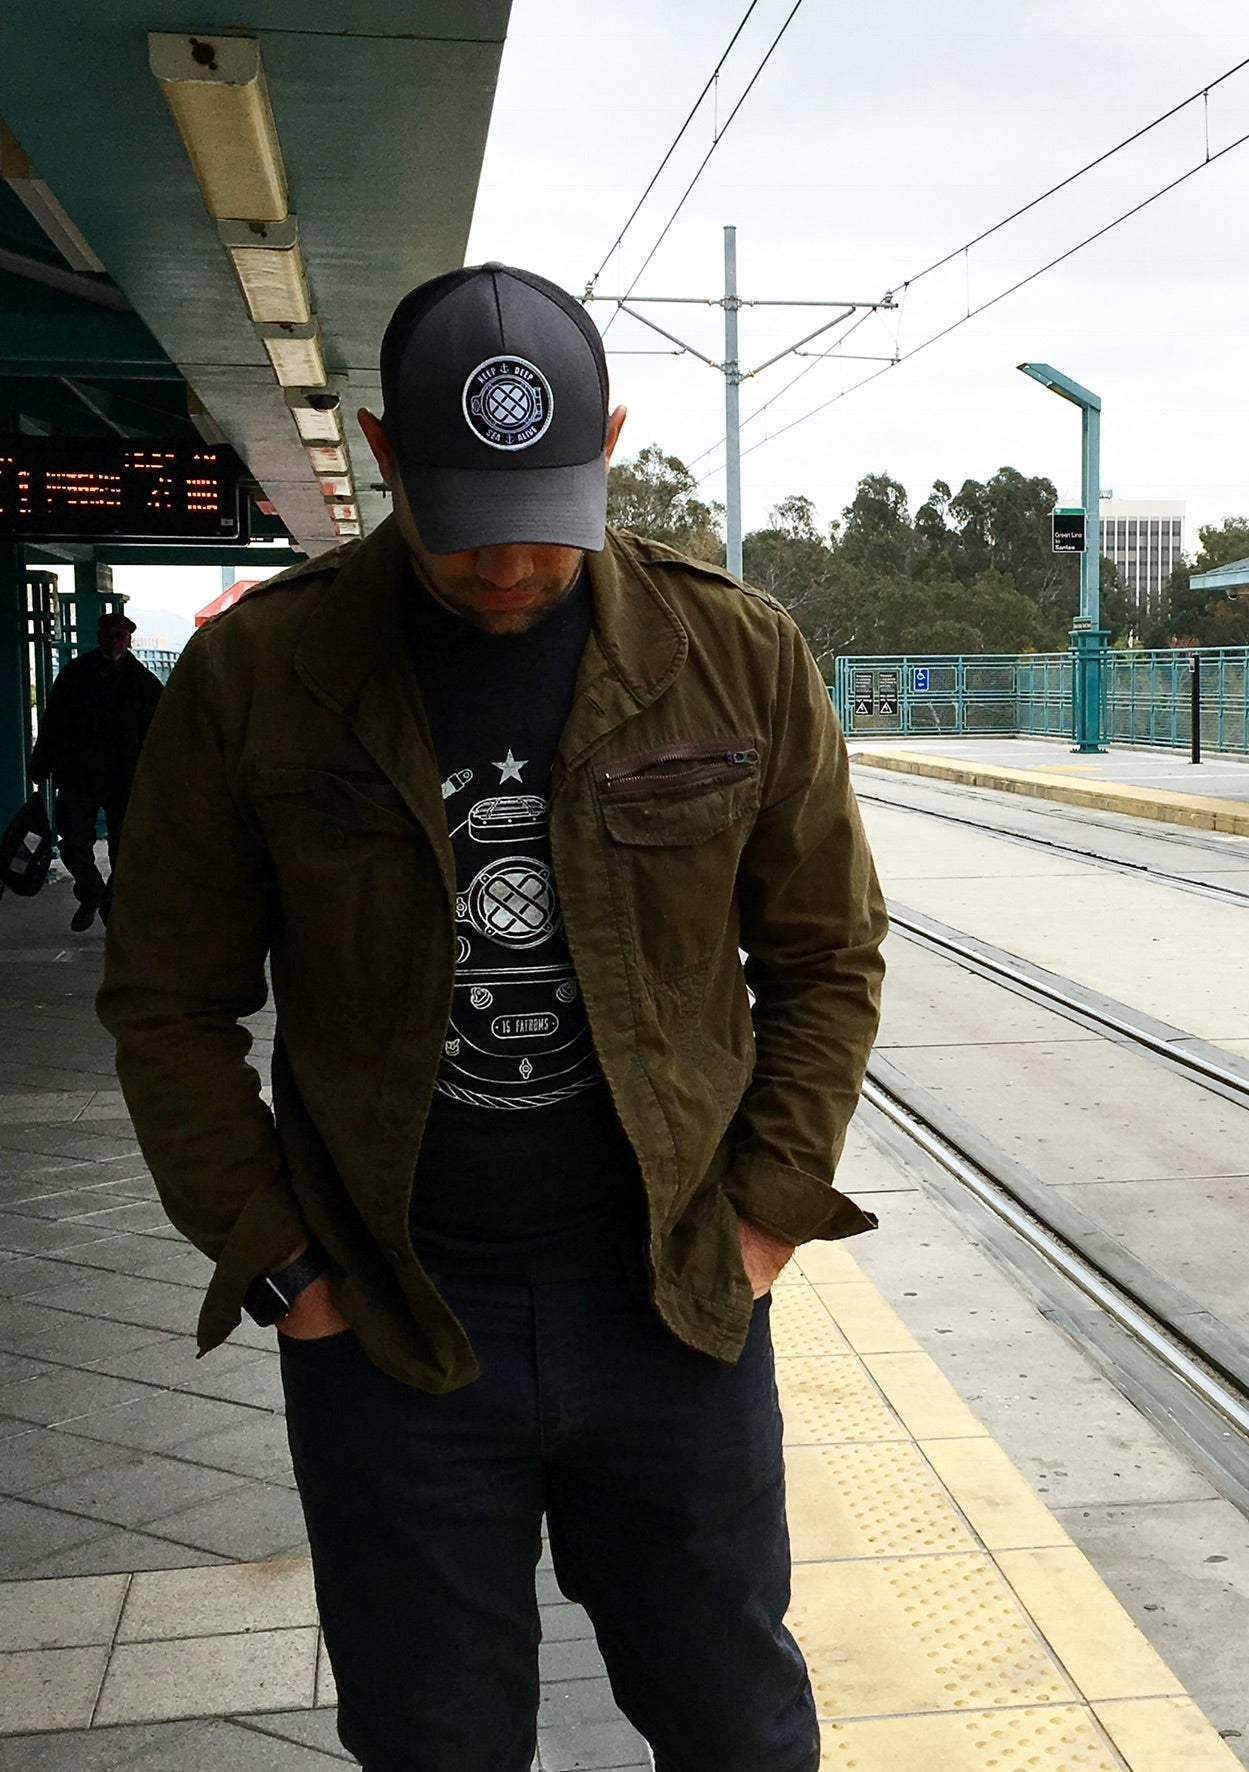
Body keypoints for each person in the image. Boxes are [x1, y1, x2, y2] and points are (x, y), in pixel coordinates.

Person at [98, 263, 887, 1772]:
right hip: (392, 1322)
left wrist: (766, 1218)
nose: (512, 564)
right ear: (389, 458)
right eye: (467, 524)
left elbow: (828, 957)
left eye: (548, 515)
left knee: (739, 1724)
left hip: (672, 1310)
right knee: (433, 1740)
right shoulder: (263, 671)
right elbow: (168, 1001)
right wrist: (284, 1269)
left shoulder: (737, 654)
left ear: (611, 442)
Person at [30, 609, 161, 930]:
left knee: (124, 848)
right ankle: (96, 894)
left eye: (120, 635)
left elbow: (162, 731)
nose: (113, 641)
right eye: (108, 635)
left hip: (124, 779)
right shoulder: (75, 675)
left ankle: (104, 898)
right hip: (80, 776)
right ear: (99, 637)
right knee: (73, 842)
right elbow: (54, 722)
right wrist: (41, 762)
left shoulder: (144, 683)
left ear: (128, 639)